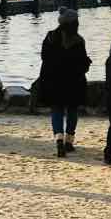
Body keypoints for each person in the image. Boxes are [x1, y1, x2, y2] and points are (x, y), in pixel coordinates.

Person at [39, 8, 91, 157]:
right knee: (72, 110)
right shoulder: (78, 40)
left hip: (53, 80)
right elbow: (82, 62)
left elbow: (44, 57)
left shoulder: (50, 37)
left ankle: (59, 140)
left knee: (56, 109)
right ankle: (69, 141)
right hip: (73, 81)